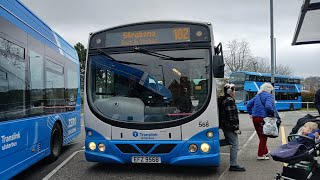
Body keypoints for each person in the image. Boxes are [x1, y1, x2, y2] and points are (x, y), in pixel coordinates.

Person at [247, 83, 280, 160]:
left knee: (260, 135)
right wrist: (272, 114)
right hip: (263, 118)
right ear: (269, 90)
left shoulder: (257, 96)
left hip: (255, 118)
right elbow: (268, 106)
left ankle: (265, 152)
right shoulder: (269, 96)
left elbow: (249, 105)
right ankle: (260, 155)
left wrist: (251, 113)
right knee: (264, 136)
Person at [218, 83, 246, 171]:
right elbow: (231, 116)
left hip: (225, 125)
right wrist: (236, 128)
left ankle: (214, 144)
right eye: (234, 90)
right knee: (235, 144)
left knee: (229, 141)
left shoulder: (223, 99)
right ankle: (233, 165)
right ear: (230, 91)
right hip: (229, 126)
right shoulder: (229, 100)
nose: (235, 92)